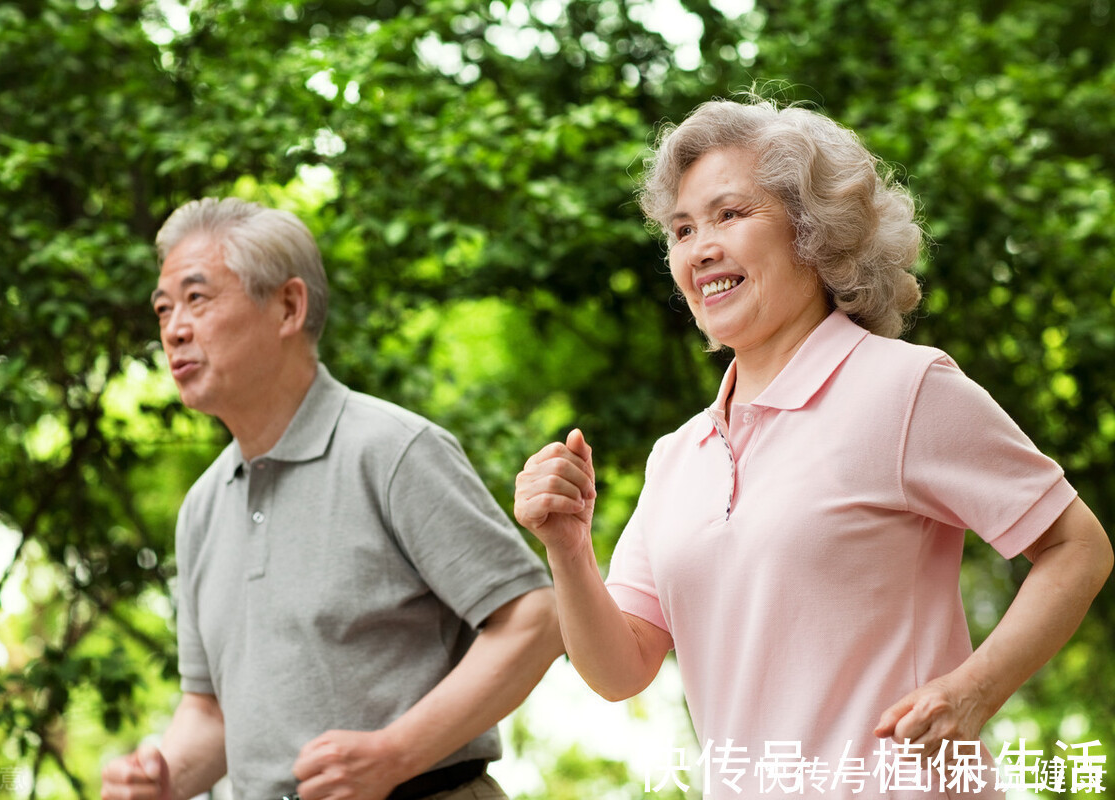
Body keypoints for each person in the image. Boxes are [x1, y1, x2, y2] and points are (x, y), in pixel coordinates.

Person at [514, 99, 1112, 798]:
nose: (700, 247)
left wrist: (976, 690)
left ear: (812, 232)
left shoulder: (904, 387)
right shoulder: (678, 456)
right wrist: (567, 547)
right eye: (681, 229)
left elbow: (1078, 546)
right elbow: (620, 671)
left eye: (730, 214)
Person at [101, 198, 562, 800]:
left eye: (198, 298)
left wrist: (394, 754)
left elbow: (536, 620)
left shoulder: (394, 451)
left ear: (289, 306)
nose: (174, 328)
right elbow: (211, 713)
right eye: (163, 309)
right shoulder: (202, 508)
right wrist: (160, 780)